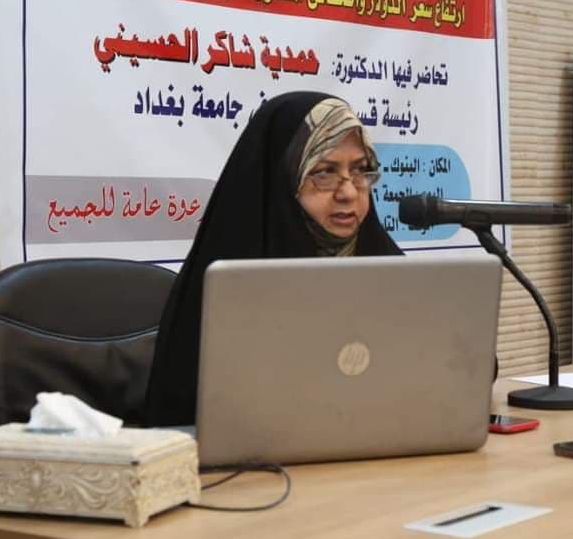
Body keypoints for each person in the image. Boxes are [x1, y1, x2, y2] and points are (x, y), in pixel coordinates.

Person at [143, 91, 403, 427]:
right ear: (283, 178)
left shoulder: (392, 272)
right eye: (324, 172)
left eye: (360, 170)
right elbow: (190, 416)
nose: (349, 192)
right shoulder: (228, 287)